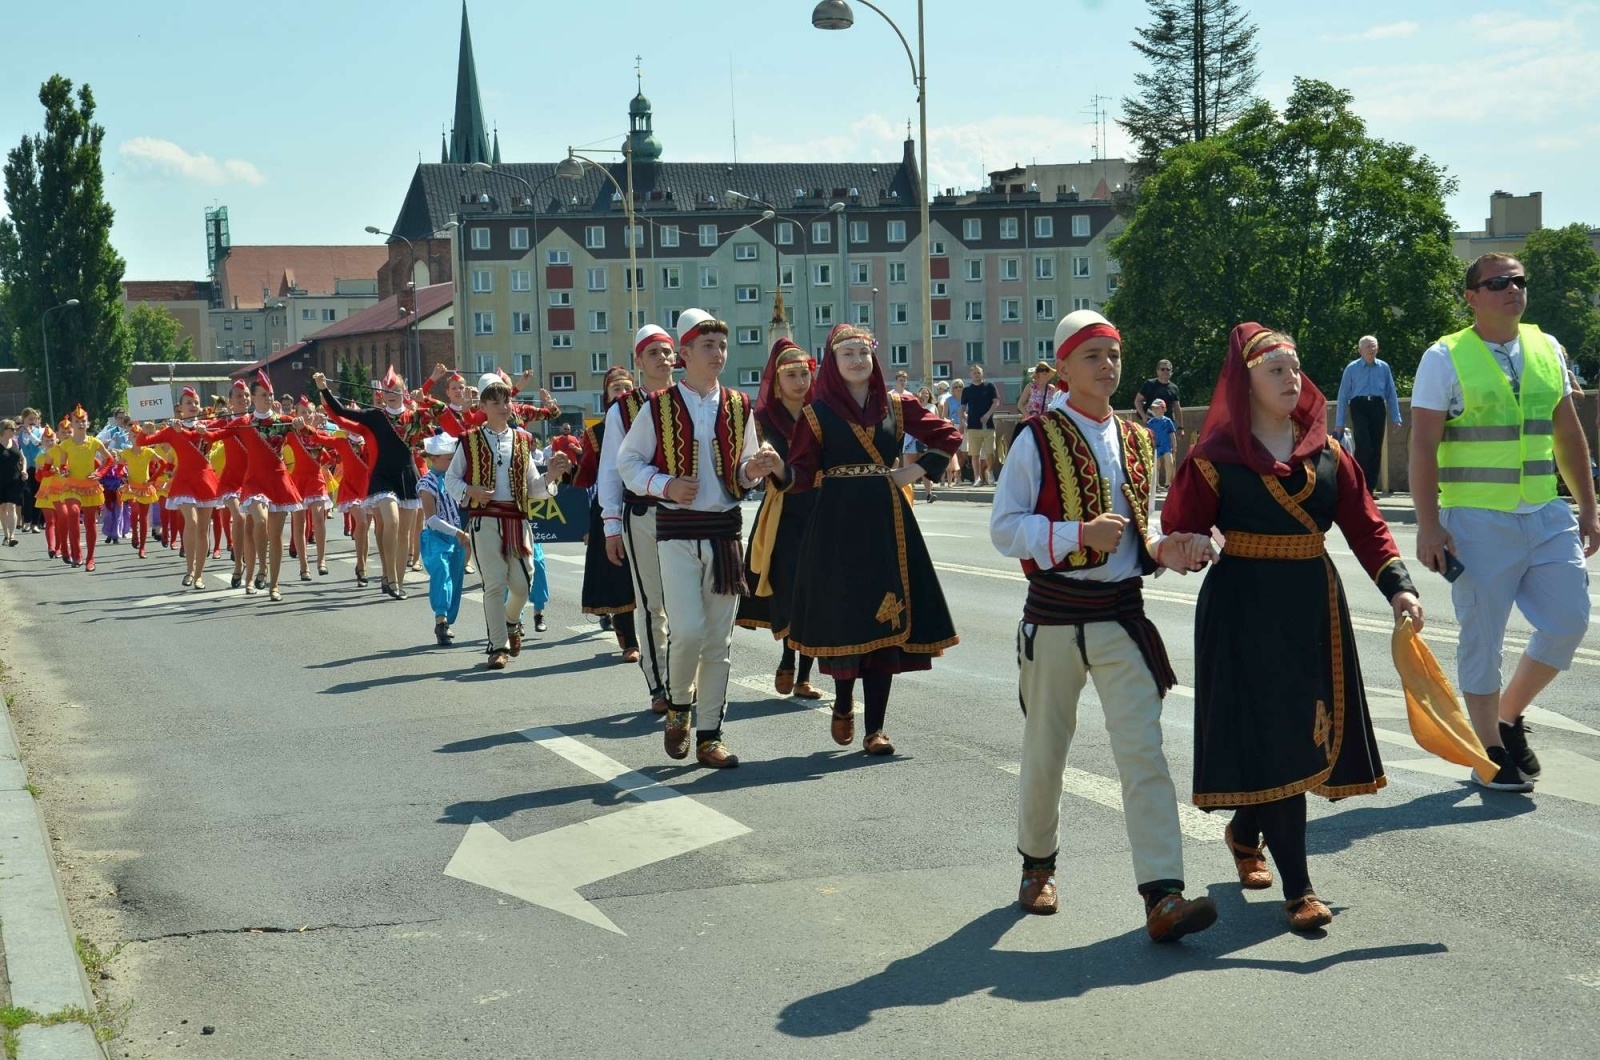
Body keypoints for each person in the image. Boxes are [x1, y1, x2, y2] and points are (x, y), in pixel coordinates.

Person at [1163, 322, 1424, 932]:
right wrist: (1192, 544)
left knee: (1295, 735)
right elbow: (1178, 531)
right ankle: (1299, 889)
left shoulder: (1330, 454)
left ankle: (1245, 830)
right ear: (1245, 382)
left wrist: (1400, 588)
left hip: (1313, 607)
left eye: (1295, 367)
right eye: (1274, 370)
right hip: (1242, 611)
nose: (1290, 379)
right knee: (1274, 735)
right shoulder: (1214, 459)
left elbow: (1367, 527)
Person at [989, 310, 1218, 943]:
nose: (1107, 366)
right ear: (1063, 367)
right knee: (1046, 753)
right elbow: (1004, 529)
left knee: (1144, 752)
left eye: (1114, 355)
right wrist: (1073, 535)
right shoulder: (1036, 437)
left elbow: (1141, 530)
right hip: (1056, 616)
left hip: (1120, 614)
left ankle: (1163, 895)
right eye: (1092, 356)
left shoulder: (1139, 436)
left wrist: (1168, 548)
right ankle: (1037, 867)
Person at [1409, 252, 1598, 792]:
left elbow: (1566, 433)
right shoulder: (1444, 356)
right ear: (1471, 297)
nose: (1511, 289)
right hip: (1475, 520)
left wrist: (1587, 505)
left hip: (1544, 512)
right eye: (1496, 283)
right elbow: (1423, 444)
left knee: (1568, 623)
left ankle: (1508, 716)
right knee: (1482, 639)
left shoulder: (1547, 347)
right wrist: (1428, 524)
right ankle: (1488, 750)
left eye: (1518, 281)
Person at [784, 324, 962, 756]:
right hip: (836, 525)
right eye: (847, 354)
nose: (857, 361)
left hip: (887, 521)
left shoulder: (897, 406)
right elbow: (800, 474)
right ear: (833, 362)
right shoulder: (816, 413)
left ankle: (875, 729)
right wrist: (773, 470)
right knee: (847, 619)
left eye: (863, 353)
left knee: (887, 619)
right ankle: (844, 703)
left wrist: (910, 472)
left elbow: (948, 435)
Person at [617, 309, 777, 768]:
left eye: (722, 346)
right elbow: (629, 464)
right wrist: (665, 486)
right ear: (684, 354)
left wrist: (755, 468)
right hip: (677, 533)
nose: (718, 354)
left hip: (724, 533)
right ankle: (678, 708)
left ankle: (709, 735)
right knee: (685, 632)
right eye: (708, 346)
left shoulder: (739, 405)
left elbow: (742, 470)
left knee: (718, 643)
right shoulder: (658, 405)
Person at [444, 379, 570, 670]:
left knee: (523, 584)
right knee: (494, 583)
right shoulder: (470, 439)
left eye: (506, 401)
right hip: (484, 519)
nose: (504, 407)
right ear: (484, 407)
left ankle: (512, 621)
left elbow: (533, 489)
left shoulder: (523, 440)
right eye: (496, 402)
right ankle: (497, 646)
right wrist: (470, 491)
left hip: (516, 519)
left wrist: (550, 475)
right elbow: (451, 480)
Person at [737, 338, 823, 698]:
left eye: (804, 373)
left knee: (815, 591)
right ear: (777, 378)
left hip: (820, 507)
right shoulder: (762, 420)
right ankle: (788, 656)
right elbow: (748, 466)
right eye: (791, 375)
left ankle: (802, 674)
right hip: (782, 512)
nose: (800, 382)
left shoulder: (821, 412)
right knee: (787, 586)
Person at [603, 325, 679, 714]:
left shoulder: (690, 398)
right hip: (644, 512)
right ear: (639, 361)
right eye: (654, 353)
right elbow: (611, 470)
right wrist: (611, 524)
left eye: (668, 352)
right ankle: (660, 683)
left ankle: (683, 677)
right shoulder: (624, 408)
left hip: (688, 515)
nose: (663, 359)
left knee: (687, 604)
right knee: (653, 603)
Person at [315, 369, 422, 600]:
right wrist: (324, 388)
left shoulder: (414, 416)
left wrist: (425, 396)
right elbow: (341, 411)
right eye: (386, 391)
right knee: (390, 522)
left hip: (407, 475)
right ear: (381, 394)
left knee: (405, 533)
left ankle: (398, 582)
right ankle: (390, 576)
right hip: (381, 477)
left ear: (404, 392)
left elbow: (442, 418)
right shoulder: (375, 417)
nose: (391, 394)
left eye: (395, 390)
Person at [211, 371, 303, 601]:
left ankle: (274, 584)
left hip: (278, 480)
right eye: (263, 395)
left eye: (271, 394)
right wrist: (199, 431)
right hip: (253, 482)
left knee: (276, 534)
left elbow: (310, 433)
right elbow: (217, 433)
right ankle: (262, 566)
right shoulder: (244, 422)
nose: (269, 398)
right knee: (259, 521)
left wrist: (303, 425)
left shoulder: (283, 421)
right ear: (253, 397)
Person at [569, 367, 641, 663]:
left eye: (627, 387)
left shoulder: (650, 419)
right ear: (606, 396)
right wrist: (566, 468)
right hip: (612, 507)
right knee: (618, 574)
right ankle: (629, 641)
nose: (622, 392)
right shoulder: (596, 433)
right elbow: (586, 476)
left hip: (648, 502)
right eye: (616, 389)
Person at [137, 387, 223, 589]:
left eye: (195, 402)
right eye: (188, 403)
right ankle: (189, 570)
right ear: (180, 408)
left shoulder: (206, 425)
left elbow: (223, 432)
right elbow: (143, 442)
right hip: (184, 480)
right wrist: (145, 428)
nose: (193, 406)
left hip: (205, 479)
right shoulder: (170, 429)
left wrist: (206, 432)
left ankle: (199, 574)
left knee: (203, 529)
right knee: (191, 522)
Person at [1334, 335, 1403, 496]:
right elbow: (1343, 395)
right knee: (1364, 446)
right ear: (1360, 351)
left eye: (1374, 346)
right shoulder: (1352, 368)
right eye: (1368, 347)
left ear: (1378, 348)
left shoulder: (1383, 367)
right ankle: (1358, 484)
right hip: (1359, 406)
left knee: (1376, 449)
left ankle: (1368, 490)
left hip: (1378, 406)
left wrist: (1396, 417)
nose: (1372, 350)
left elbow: (1391, 392)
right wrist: (1340, 422)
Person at [419, 430, 469, 646]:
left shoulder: (459, 480)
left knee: (455, 582)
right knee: (442, 572)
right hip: (437, 537)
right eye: (449, 459)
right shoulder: (426, 483)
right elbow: (431, 518)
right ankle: (441, 621)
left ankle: (447, 617)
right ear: (433, 458)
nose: (453, 462)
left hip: (461, 539)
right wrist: (457, 532)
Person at [960, 365, 1000, 485]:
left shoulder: (990, 386)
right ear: (970, 375)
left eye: (979, 373)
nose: (977, 375)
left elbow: (996, 402)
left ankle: (990, 471)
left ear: (982, 374)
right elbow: (962, 407)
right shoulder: (967, 390)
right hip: (973, 426)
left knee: (990, 452)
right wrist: (963, 420)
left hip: (988, 425)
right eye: (974, 373)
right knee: (974, 453)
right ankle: (977, 477)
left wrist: (988, 414)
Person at [1133, 359, 1181, 427]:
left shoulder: (1174, 388)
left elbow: (1177, 408)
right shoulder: (1149, 384)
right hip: (1151, 422)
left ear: (1171, 372)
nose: (1165, 371)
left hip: (1167, 425)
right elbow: (1137, 401)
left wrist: (1180, 427)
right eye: (1162, 369)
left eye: (1168, 369)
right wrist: (1143, 416)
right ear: (1157, 371)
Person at [0, 419, 23, 546]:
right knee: (2, 508)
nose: (14, 431)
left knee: (12, 506)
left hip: (14, 478)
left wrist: (24, 470)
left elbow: (22, 458)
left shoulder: (15, 442)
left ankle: (12, 536)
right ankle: (6, 535)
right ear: (4, 430)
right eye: (12, 429)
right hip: (1, 479)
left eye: (15, 429)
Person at [1146, 399, 1177, 490]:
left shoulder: (1167, 421)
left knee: (1169, 462)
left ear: (1164, 409)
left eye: (1157, 408)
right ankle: (1156, 484)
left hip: (1166, 445)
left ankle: (1167, 483)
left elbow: (1172, 433)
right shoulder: (1150, 422)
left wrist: (1174, 445)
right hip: (1155, 446)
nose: (1155, 410)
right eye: (1153, 408)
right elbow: (1148, 435)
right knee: (1156, 465)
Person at [939, 379, 965, 486]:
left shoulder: (965, 400)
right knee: (956, 452)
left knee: (965, 453)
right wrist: (948, 421)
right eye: (956, 387)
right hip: (954, 426)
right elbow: (944, 416)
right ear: (952, 389)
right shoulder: (948, 400)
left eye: (960, 386)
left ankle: (958, 473)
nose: (958, 389)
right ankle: (957, 477)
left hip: (966, 425)